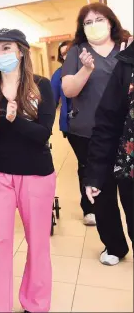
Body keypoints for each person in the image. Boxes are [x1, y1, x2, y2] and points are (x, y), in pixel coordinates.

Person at [0, 28, 56, 312]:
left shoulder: (40, 86)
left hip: (36, 176)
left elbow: (42, 133)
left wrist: (11, 119)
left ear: (21, 51)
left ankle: (35, 303)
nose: (1, 55)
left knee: (37, 244)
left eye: (6, 48)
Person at [62, 3, 131, 228]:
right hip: (89, 132)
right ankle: (113, 245)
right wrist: (86, 69)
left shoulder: (126, 47)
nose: (94, 25)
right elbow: (68, 90)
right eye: (88, 22)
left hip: (127, 132)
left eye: (99, 19)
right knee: (101, 190)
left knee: (129, 190)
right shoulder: (77, 51)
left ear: (111, 21)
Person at [84, 38, 134, 266]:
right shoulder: (127, 64)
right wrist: (94, 173)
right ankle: (115, 245)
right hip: (128, 164)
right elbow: (107, 122)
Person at [50, 41, 72, 137]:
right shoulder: (58, 74)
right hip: (70, 123)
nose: (67, 56)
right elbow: (51, 102)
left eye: (69, 51)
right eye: (64, 54)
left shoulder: (89, 68)